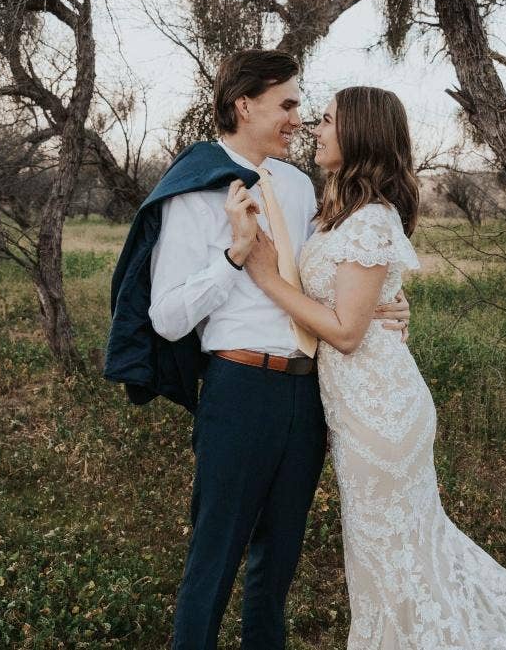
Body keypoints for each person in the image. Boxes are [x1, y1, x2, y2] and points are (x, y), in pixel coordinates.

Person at [243, 86, 506, 649]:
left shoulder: (370, 218)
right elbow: (354, 305)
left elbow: (344, 332)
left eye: (326, 121)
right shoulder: (336, 212)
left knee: (396, 560)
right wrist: (385, 302)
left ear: (360, 133)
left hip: (380, 412)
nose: (315, 130)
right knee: (393, 558)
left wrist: (266, 276)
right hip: (358, 409)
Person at [104, 52, 410, 650]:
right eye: (288, 105)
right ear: (244, 104)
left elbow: (334, 279)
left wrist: (388, 306)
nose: (299, 119)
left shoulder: (300, 187)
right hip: (240, 390)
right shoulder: (193, 191)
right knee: (214, 557)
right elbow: (165, 320)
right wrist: (234, 256)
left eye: (302, 107)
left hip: (311, 391)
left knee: (279, 564)